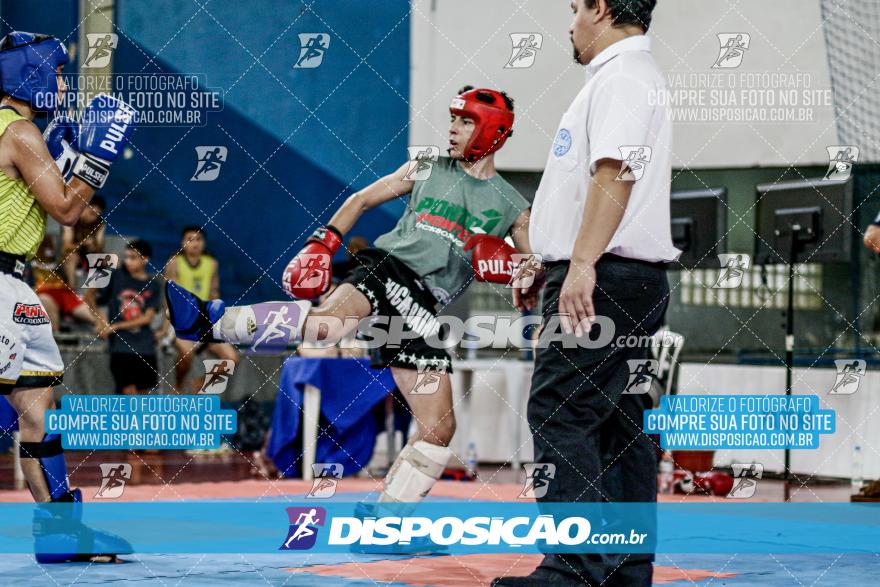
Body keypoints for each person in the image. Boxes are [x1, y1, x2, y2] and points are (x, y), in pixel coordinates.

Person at [166, 86, 532, 514]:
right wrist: (324, 244)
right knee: (327, 324)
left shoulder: (514, 206)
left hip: (424, 309)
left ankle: (385, 517)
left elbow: (533, 270)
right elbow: (362, 199)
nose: (452, 127)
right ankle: (212, 320)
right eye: (453, 118)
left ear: (492, 131)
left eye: (466, 121)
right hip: (389, 266)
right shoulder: (428, 163)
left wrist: (523, 271)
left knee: (439, 427)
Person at [493, 1, 675, 585]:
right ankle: (622, 569)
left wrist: (580, 264)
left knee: (561, 411)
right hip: (625, 278)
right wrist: (554, 259)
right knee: (619, 423)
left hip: (605, 279)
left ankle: (571, 569)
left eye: (575, 8)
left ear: (600, 8)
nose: (569, 22)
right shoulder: (630, 76)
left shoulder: (622, 77)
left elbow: (614, 173)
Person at [0, 31, 135, 562]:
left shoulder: (23, 133)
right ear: (32, 74)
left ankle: (59, 533)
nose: (61, 82)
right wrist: (95, 157)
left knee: (36, 409)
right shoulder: (21, 132)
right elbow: (65, 210)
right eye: (56, 73)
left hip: (16, 283)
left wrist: (68, 150)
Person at [163, 225, 238, 392]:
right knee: (186, 354)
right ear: (183, 243)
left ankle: (200, 383)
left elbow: (214, 293)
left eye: (198, 239)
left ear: (203, 243)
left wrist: (218, 320)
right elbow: (167, 299)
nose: (195, 243)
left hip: (205, 320)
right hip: (182, 320)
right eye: (190, 239)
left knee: (232, 358)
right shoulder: (174, 263)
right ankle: (178, 388)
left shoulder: (211, 264)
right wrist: (165, 326)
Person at [96, 240, 162, 395]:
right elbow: (93, 297)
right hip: (121, 346)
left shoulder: (154, 284)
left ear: (145, 260)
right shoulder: (115, 275)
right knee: (129, 392)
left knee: (143, 394)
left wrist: (115, 326)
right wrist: (101, 321)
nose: (128, 261)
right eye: (126, 257)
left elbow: (147, 318)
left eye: (133, 257)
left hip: (145, 346)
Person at [31, 234, 97, 331]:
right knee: (45, 301)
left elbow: (66, 251)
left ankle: (106, 329)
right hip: (43, 292)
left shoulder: (57, 256)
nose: (47, 244)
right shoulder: (27, 259)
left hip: (64, 292)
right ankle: (57, 337)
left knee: (94, 318)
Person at [62, 194, 105, 288]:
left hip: (89, 255)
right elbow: (66, 246)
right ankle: (72, 291)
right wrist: (82, 244)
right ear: (84, 208)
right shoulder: (71, 219)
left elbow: (100, 246)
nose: (94, 218)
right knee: (71, 258)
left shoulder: (99, 223)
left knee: (113, 259)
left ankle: (98, 295)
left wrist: (94, 246)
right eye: (92, 214)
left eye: (97, 215)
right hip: (74, 254)